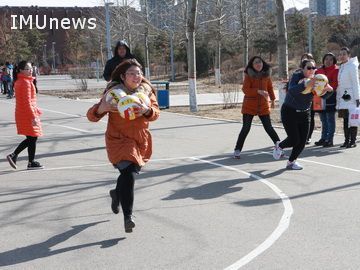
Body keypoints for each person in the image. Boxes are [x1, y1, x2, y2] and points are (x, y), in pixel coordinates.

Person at [87, 59, 160, 233]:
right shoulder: (113, 94)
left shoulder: (146, 92)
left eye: (139, 73)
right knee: (129, 174)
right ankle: (128, 217)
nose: (137, 77)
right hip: (118, 140)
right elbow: (91, 116)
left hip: (139, 140)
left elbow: (156, 113)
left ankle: (117, 193)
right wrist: (101, 108)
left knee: (129, 174)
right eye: (132, 73)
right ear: (122, 76)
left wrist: (147, 110)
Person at [273, 59, 333, 170]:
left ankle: (291, 162)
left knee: (302, 142)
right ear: (302, 69)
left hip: (305, 113)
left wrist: (329, 90)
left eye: (313, 68)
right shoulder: (297, 76)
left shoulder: (318, 79)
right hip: (290, 111)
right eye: (308, 68)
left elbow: (323, 96)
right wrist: (305, 84)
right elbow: (291, 90)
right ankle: (279, 146)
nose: (312, 70)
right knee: (294, 139)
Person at [233, 56, 280, 159]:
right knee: (246, 128)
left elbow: (270, 87)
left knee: (269, 128)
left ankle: (279, 147)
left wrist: (272, 99)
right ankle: (237, 150)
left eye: (260, 62)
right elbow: (245, 89)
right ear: (252, 65)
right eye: (256, 63)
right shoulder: (249, 75)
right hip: (249, 105)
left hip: (263, 105)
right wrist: (258, 91)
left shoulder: (266, 74)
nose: (259, 64)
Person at [6, 61, 44, 170]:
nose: (30, 70)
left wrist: (36, 110)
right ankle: (19, 157)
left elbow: (27, 101)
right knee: (33, 137)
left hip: (23, 112)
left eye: (31, 68)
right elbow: (27, 102)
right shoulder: (25, 83)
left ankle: (26, 160)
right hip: (27, 113)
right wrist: (33, 117)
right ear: (21, 70)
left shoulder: (21, 81)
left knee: (31, 137)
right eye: (27, 68)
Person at [336, 47, 360, 148]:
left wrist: (357, 97)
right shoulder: (342, 66)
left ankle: (353, 141)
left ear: (349, 55)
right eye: (340, 54)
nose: (342, 56)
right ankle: (346, 140)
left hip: (352, 97)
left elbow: (356, 83)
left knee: (352, 120)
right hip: (343, 97)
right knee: (345, 120)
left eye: (344, 54)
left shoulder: (352, 66)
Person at [313, 52, 339, 147]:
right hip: (319, 97)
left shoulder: (336, 70)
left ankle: (330, 139)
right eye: (326, 59)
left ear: (334, 61)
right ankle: (323, 138)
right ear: (323, 60)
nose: (328, 61)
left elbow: (335, 84)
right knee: (323, 119)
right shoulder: (319, 70)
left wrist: (327, 88)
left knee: (330, 119)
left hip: (331, 96)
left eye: (331, 59)